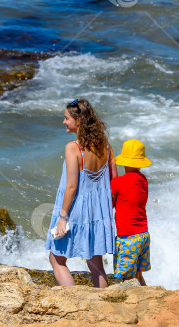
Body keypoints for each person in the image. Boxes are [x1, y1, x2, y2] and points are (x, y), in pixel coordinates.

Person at [46, 98, 117, 288]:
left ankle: (74, 301)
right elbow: (114, 182)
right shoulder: (105, 146)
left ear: (79, 121)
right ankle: (101, 304)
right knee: (96, 266)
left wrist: (62, 217)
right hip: (98, 214)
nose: (64, 122)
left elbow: (71, 187)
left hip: (76, 210)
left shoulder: (73, 148)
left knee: (56, 259)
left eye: (66, 118)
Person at [110, 139, 152, 286]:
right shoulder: (143, 180)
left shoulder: (118, 182)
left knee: (127, 280)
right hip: (143, 235)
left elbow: (110, 205)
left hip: (128, 237)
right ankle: (148, 299)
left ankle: (135, 307)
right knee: (138, 276)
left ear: (124, 161)